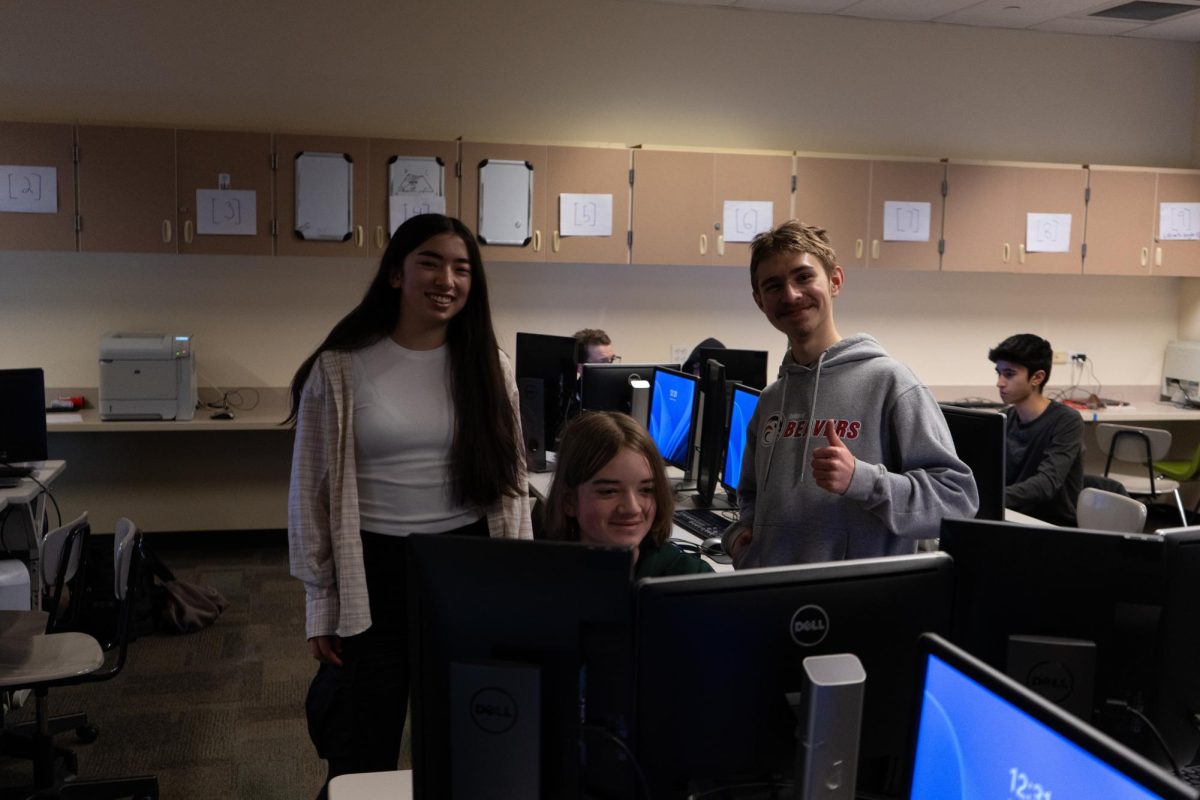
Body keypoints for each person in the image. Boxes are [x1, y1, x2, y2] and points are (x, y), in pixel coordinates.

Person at [286, 213, 533, 797]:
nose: (446, 278)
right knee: (361, 741)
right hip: (374, 569)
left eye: (462, 267)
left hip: (467, 565)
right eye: (430, 261)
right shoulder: (341, 368)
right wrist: (320, 601)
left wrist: (521, 586)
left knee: (463, 735)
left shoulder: (489, 367)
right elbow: (310, 490)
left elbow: (512, 485)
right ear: (396, 273)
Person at [721, 220, 978, 568]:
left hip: (859, 605)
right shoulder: (771, 400)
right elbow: (749, 492)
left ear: (835, 280)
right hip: (774, 601)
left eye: (803, 277)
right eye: (773, 285)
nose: (791, 294)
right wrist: (740, 538)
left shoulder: (891, 383)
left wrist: (862, 479)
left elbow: (957, 500)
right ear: (759, 301)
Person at [544, 411, 712, 579]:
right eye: (609, 491)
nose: (632, 508)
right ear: (570, 501)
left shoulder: (692, 578)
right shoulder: (541, 579)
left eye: (646, 490)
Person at [988, 333, 1084, 526]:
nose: (999, 382)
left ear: (1037, 377)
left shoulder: (1066, 421)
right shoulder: (1005, 418)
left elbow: (1046, 484)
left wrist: (990, 498)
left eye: (1009, 374)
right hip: (1010, 518)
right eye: (998, 373)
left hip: (1051, 527)